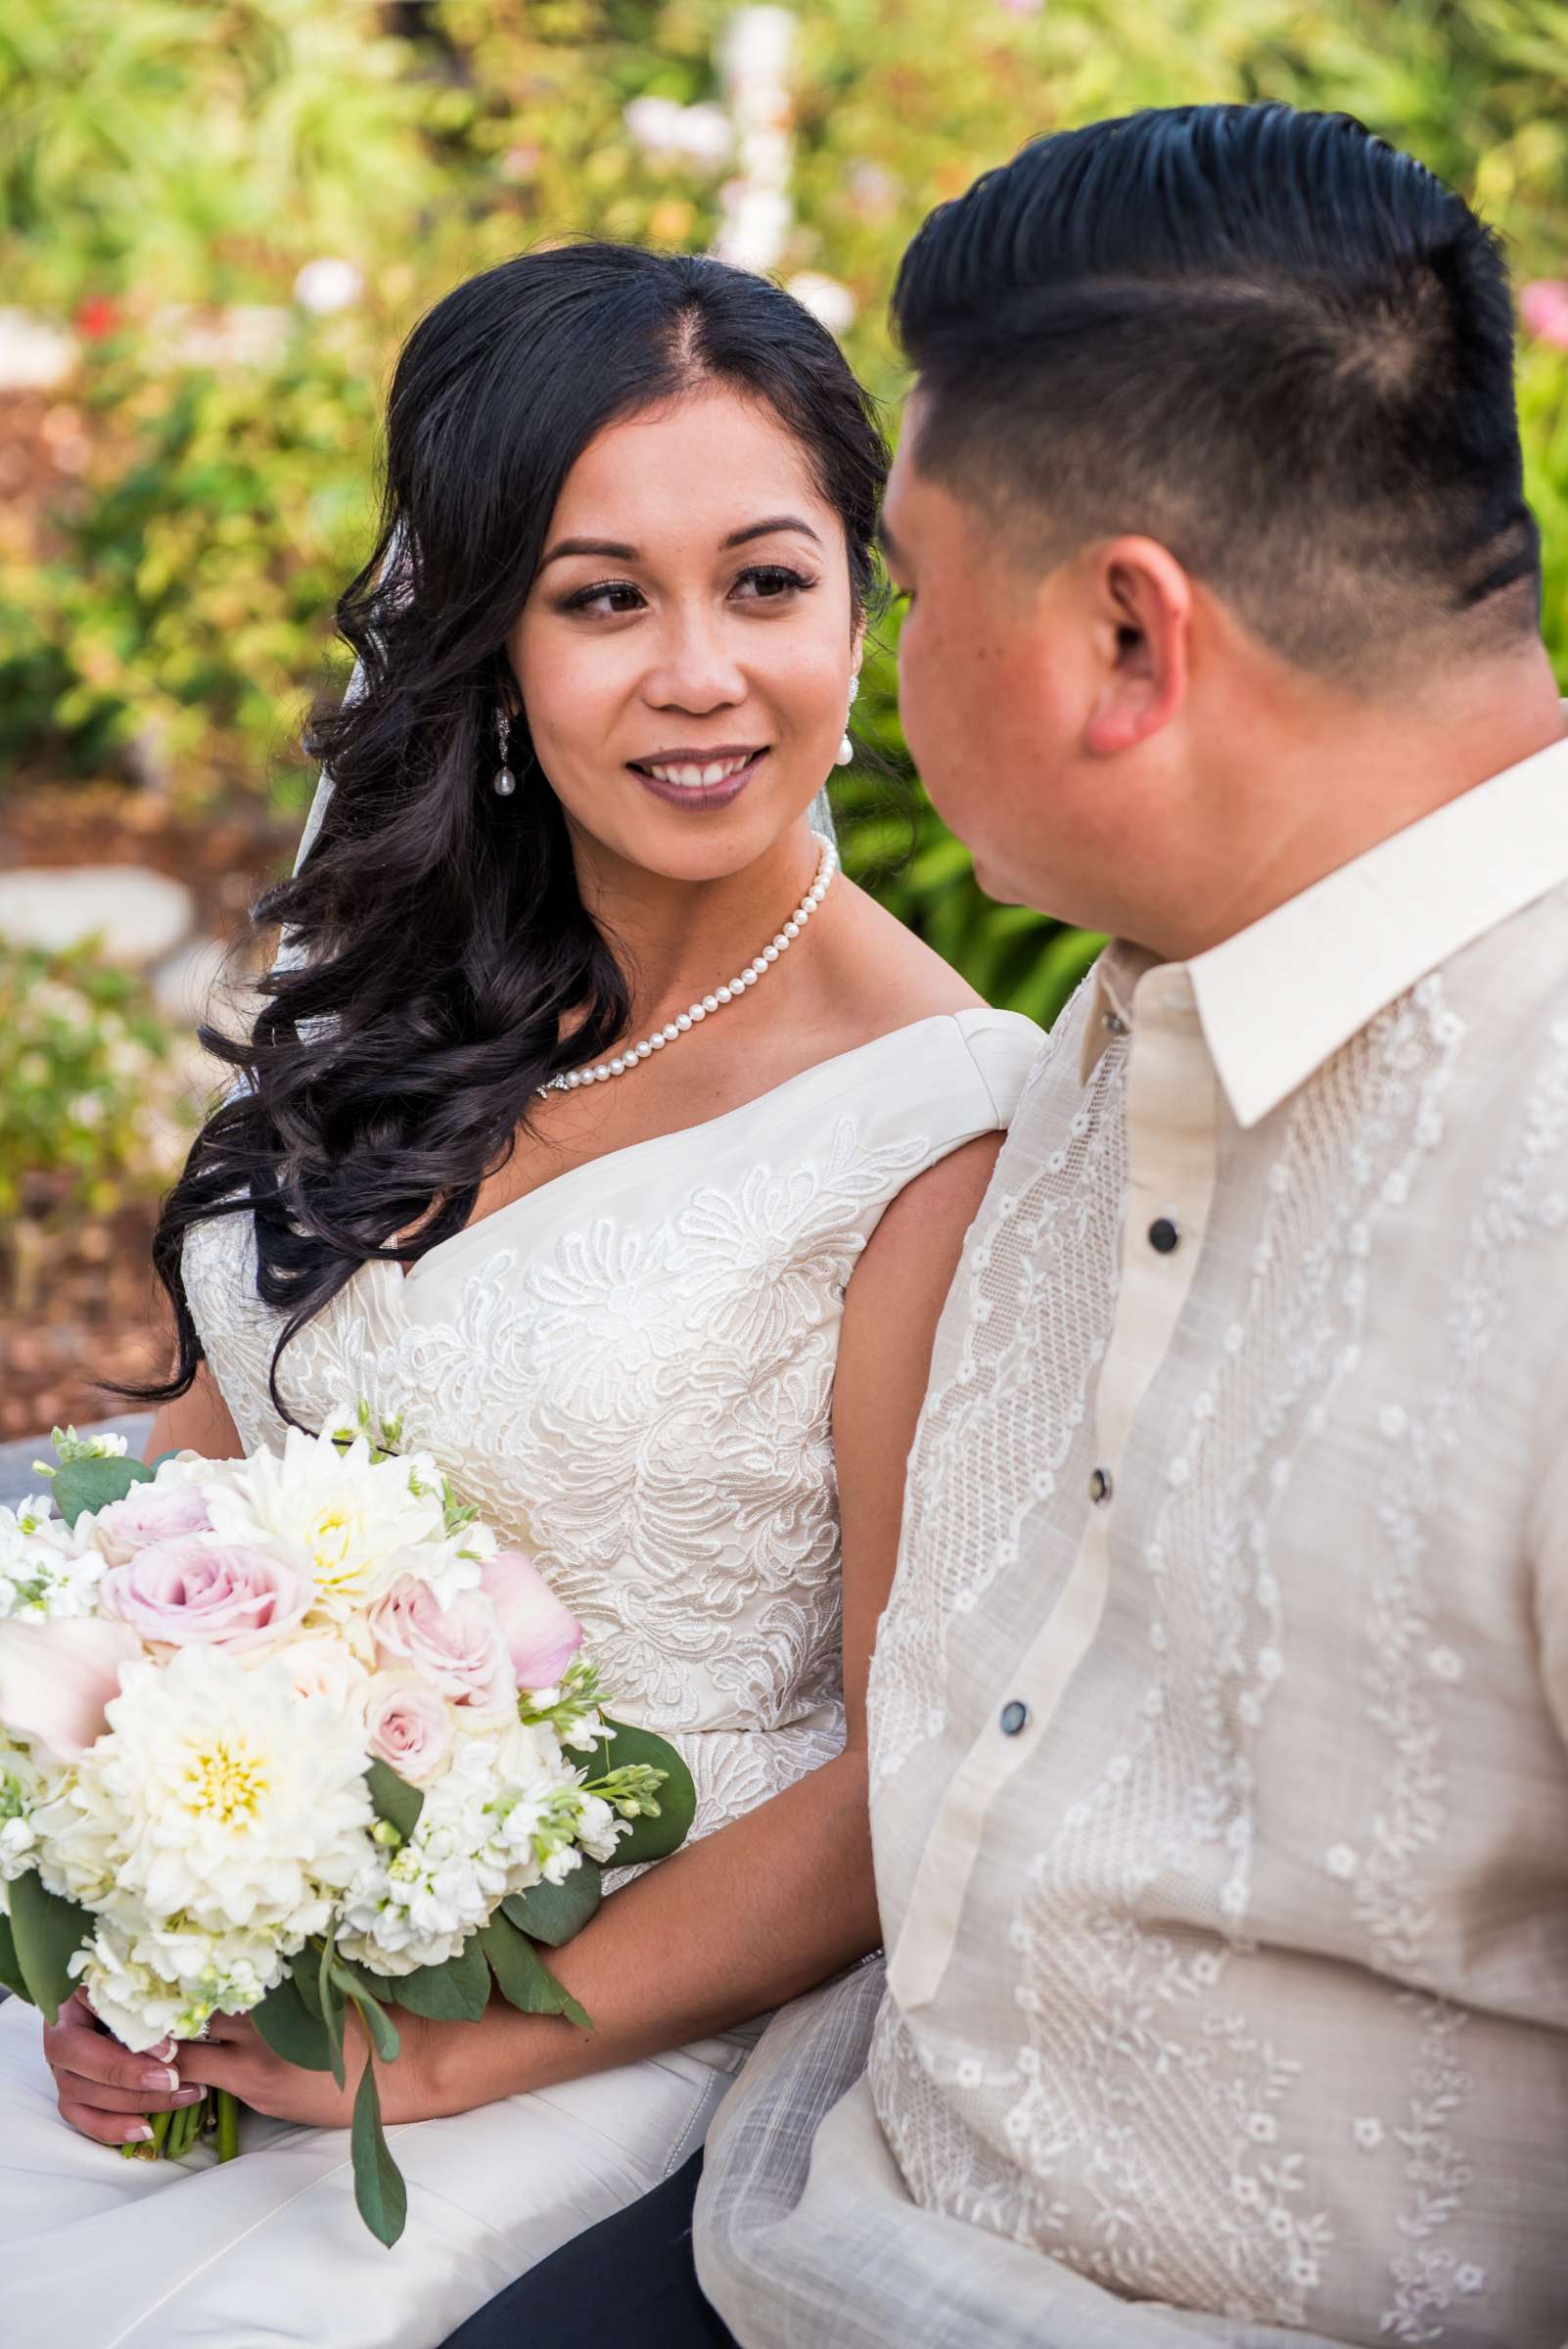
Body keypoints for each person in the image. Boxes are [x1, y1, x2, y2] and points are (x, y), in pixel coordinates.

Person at [461, 101, 1568, 2349]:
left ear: (1121, 644)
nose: (844, 659)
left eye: (904, 582)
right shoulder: (1120, 1020)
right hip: (805, 2203)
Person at [0, 244, 1042, 2348]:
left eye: (767, 583)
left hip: (597, 2034)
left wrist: (430, 2056)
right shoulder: (395, 991)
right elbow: (188, 1492)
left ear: (864, 599)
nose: (699, 675)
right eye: (601, 597)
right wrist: (120, 1916)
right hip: (246, 1982)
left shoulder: (942, 1126)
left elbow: (905, 1769)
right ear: (485, 636)